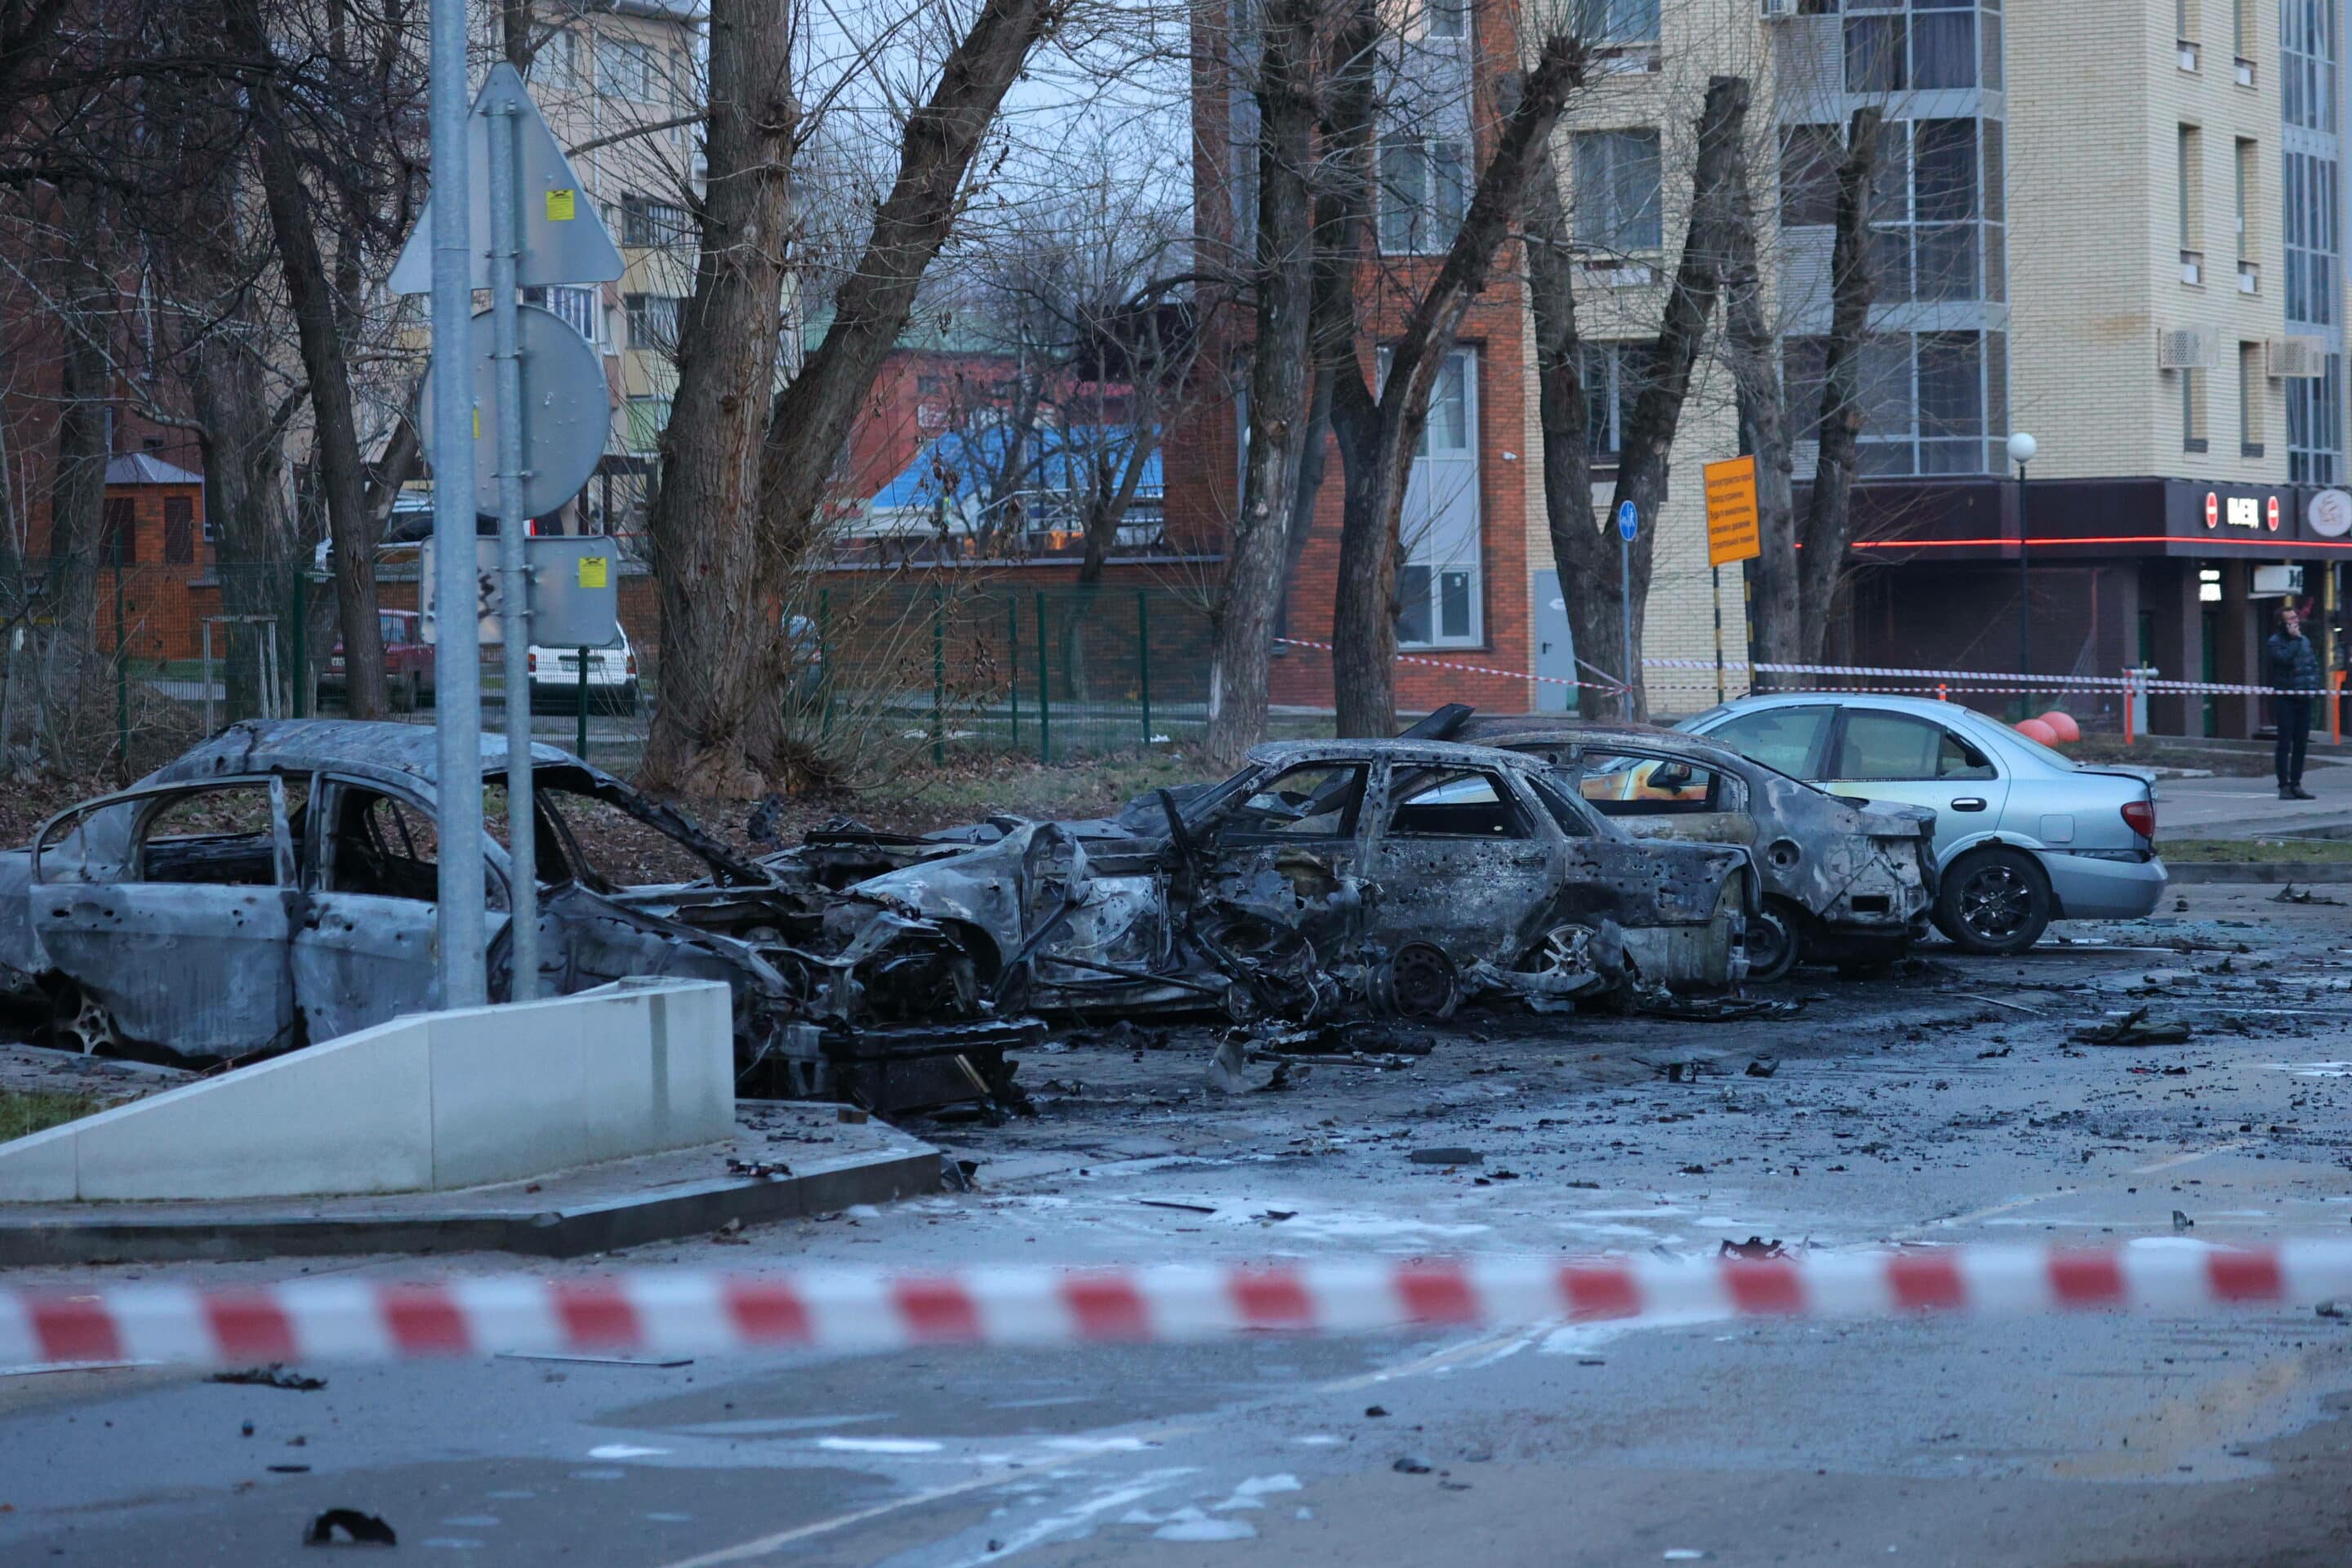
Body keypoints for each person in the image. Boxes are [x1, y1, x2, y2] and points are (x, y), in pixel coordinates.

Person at [2265, 603, 2323, 801]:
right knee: (2284, 743)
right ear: (2281, 624)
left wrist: (2314, 686)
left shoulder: (2304, 641)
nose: (2295, 622)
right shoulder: (2276, 642)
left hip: (2304, 698)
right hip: (2286, 699)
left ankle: (2297, 783)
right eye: (2290, 620)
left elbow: (2312, 665)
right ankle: (2284, 785)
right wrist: (2294, 641)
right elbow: (2283, 660)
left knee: (2301, 743)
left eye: (2295, 618)